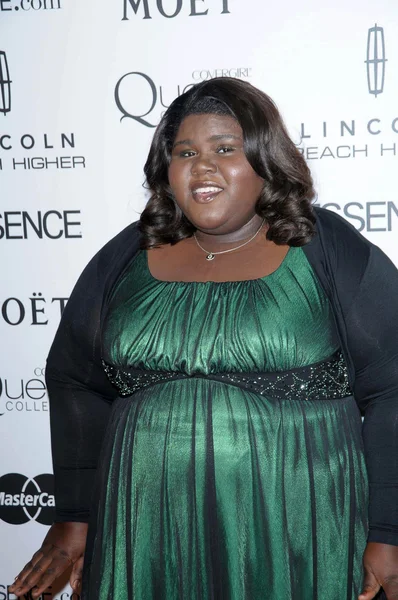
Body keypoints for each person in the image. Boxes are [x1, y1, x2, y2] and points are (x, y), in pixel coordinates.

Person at [9, 77, 398, 600]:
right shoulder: (128, 253)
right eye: (185, 151)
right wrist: (75, 520)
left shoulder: (324, 247)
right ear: (166, 173)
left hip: (296, 525)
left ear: (264, 160)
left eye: (225, 149)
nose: (203, 165)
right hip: (147, 528)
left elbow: (393, 387)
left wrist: (389, 533)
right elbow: (74, 382)